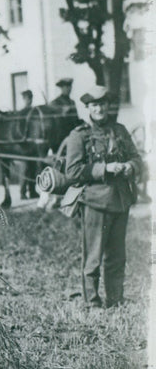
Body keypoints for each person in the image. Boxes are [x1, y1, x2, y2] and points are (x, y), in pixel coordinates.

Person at [64, 85, 143, 308]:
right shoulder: (79, 135)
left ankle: (116, 299)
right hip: (95, 202)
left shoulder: (119, 130)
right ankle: (93, 302)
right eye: (95, 105)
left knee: (117, 257)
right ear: (88, 107)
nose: (99, 108)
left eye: (103, 104)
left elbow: (137, 158)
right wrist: (105, 169)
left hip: (120, 200)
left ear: (108, 106)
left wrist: (130, 166)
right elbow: (73, 172)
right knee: (93, 257)